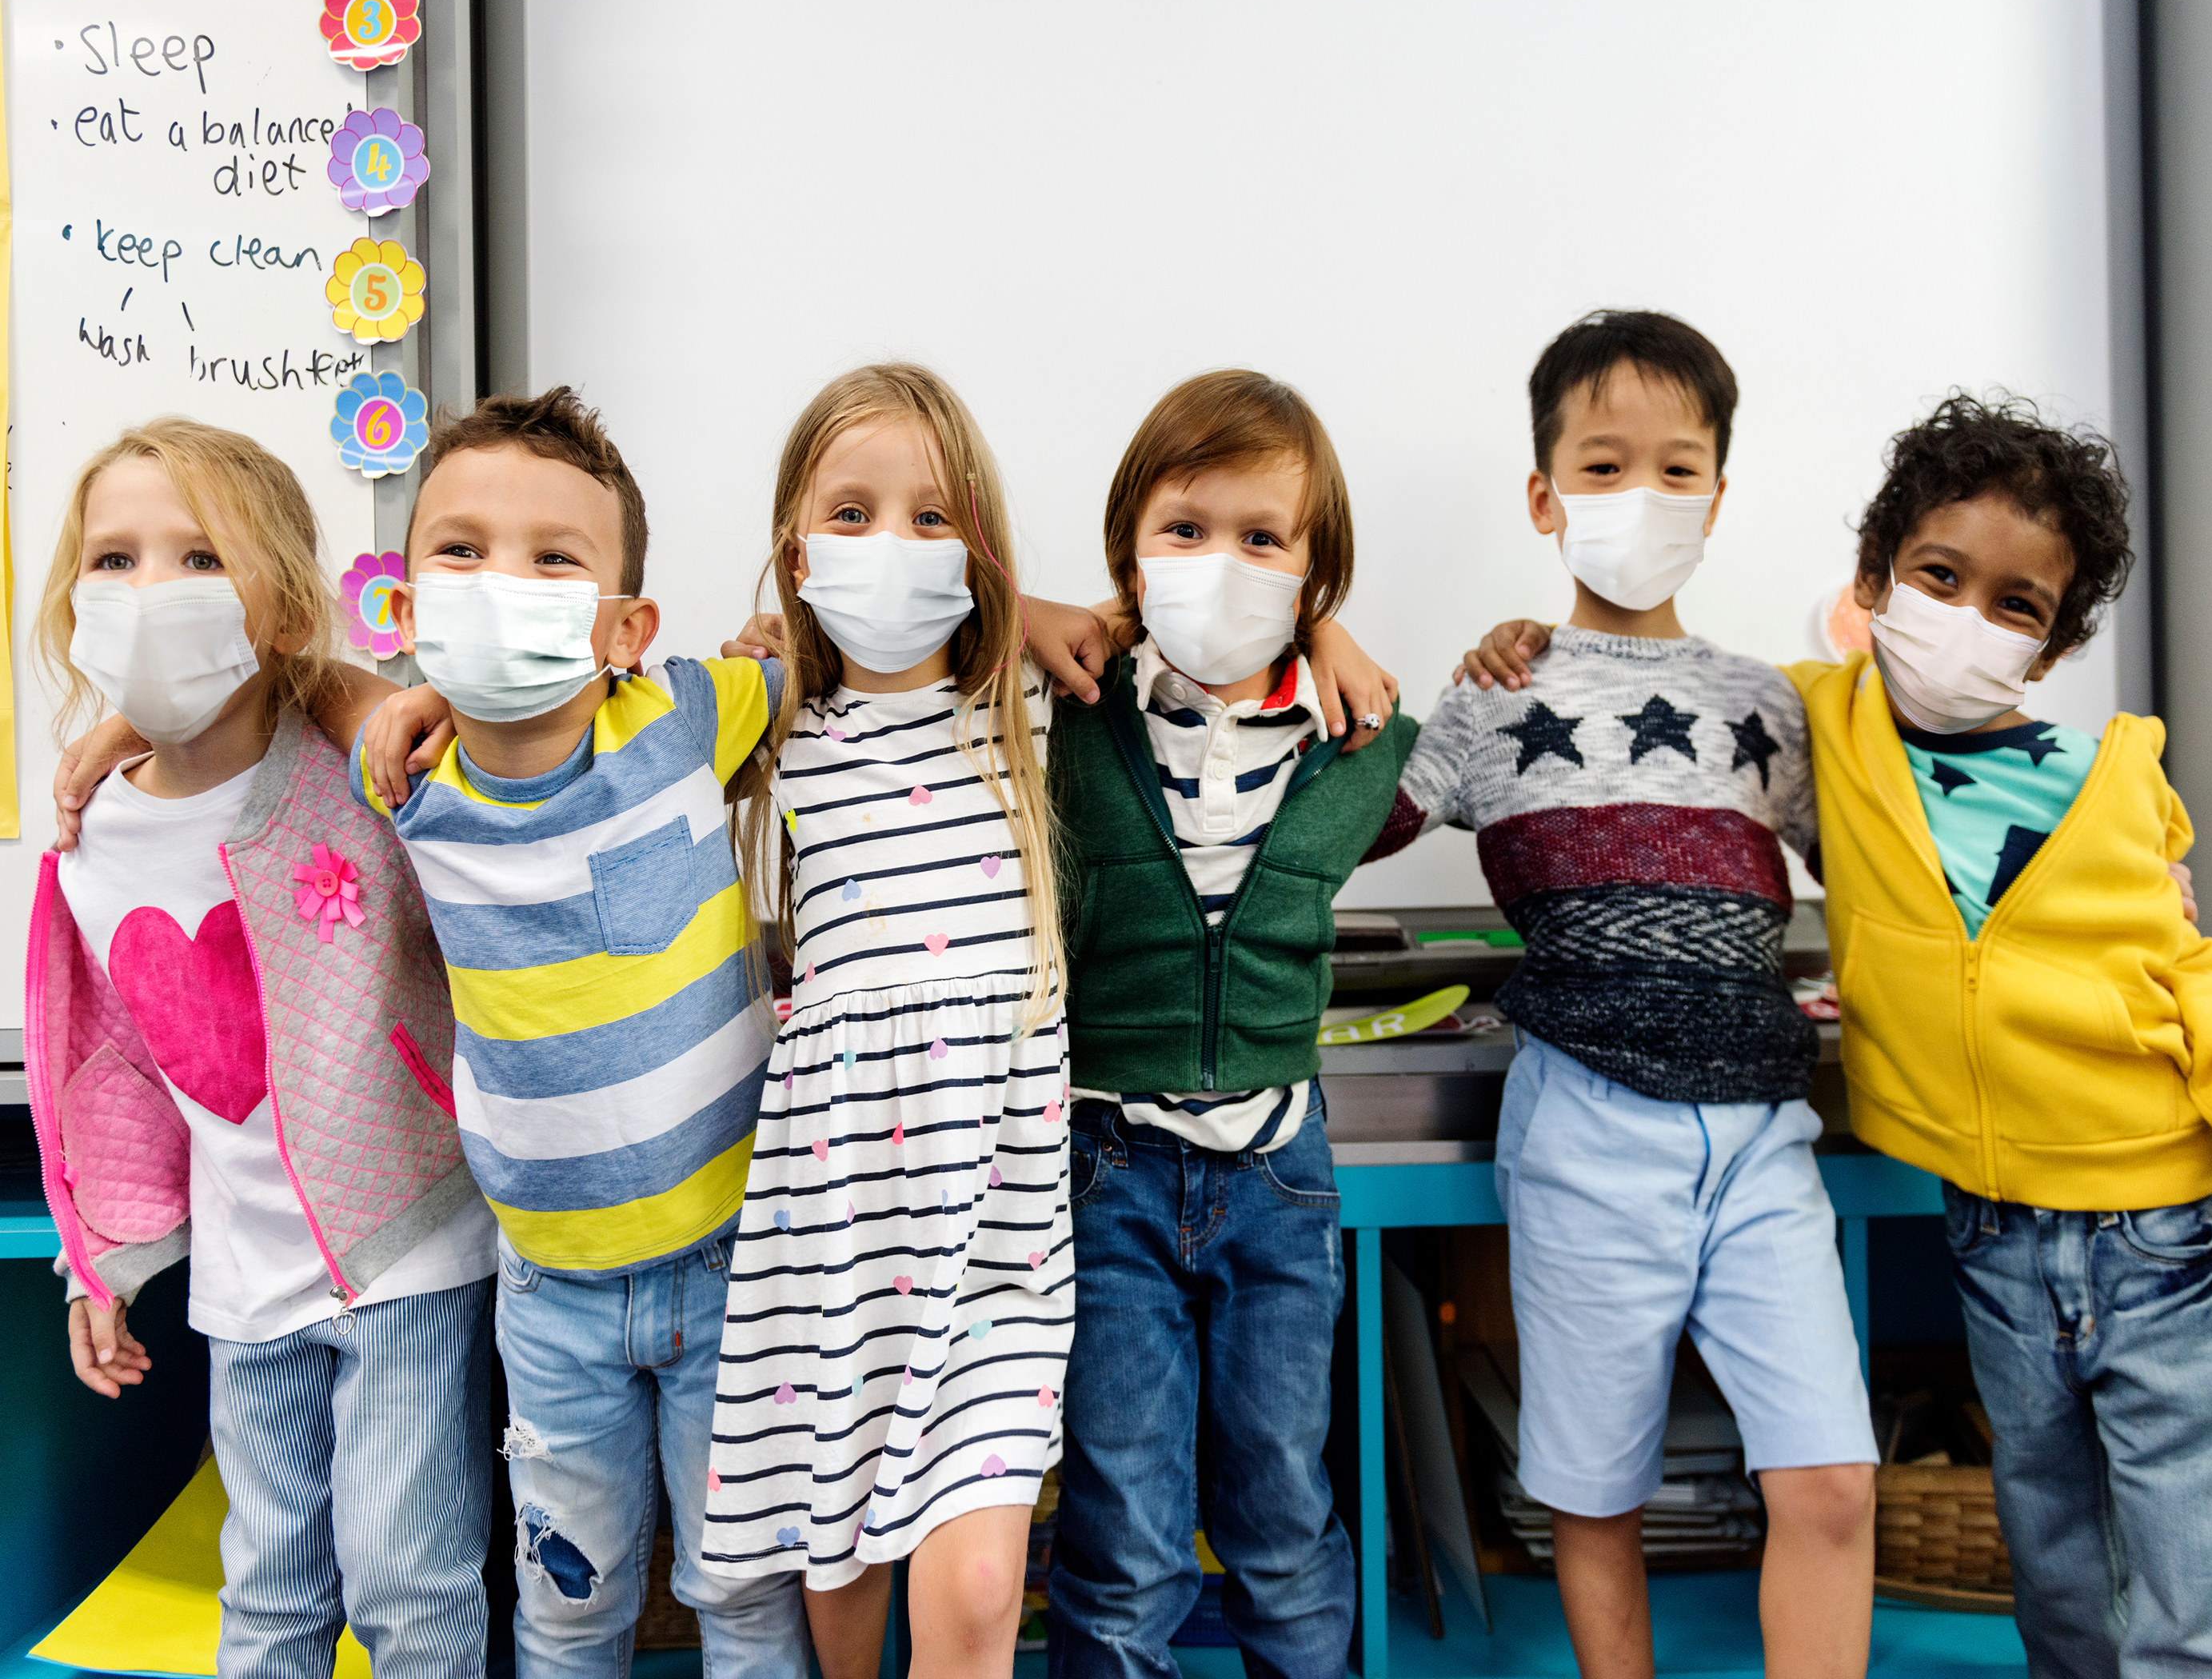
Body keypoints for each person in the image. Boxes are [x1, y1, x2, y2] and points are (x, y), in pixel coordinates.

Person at [1458, 390, 2212, 1676]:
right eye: (1939, 578)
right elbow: (1654, 694)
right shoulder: (1822, 726)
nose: (1966, 620)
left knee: (2201, 1576)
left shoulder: (2104, 780)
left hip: (2162, 1229)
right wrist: (1523, 643)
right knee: (2061, 1578)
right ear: (1874, 586)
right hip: (1997, 1239)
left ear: (2056, 646)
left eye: (2015, 608)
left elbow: (2195, 982)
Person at [1372, 312, 1879, 1678]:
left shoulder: (1768, 704)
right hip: (1586, 1124)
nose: (1639, 497)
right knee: (1593, 1489)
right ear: (1543, 496)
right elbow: (1348, 830)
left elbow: (1886, 865)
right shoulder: (1496, 692)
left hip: (1763, 1134)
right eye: (1601, 467)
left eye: (1676, 467)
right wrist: (1356, 671)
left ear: (1719, 493)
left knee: (1830, 1480)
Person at [351, 388, 812, 1678]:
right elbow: (291, 691)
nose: (502, 582)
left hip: (733, 1271)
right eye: (461, 550)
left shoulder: (679, 715)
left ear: (626, 626)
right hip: (548, 1294)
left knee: (745, 1602)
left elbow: (792, 657)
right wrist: (396, 700)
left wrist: (775, 632)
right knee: (567, 1607)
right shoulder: (403, 778)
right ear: (410, 602)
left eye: (553, 557)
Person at [27, 419, 498, 1679]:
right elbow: (114, 1063)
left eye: (198, 559)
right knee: (270, 1591)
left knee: (411, 1588)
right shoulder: (90, 837)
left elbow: (444, 724)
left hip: (410, 1249)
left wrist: (356, 700)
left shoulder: (365, 776)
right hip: (246, 1286)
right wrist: (101, 1259)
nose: (147, 594)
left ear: (284, 608)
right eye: (113, 560)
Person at [700, 362, 1070, 1679]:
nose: (892, 548)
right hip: (836, 1232)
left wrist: (1036, 612)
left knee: (974, 1591)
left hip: (997, 1238)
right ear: (792, 547)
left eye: (934, 518)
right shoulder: (768, 725)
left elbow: (1213, 620)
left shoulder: (1026, 714)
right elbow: (559, 728)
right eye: (850, 514)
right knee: (838, 1577)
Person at [1040, 371, 1413, 1677]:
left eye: (1264, 539)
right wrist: (1063, 614)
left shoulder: (1360, 739)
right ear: (1130, 554)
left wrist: (1333, 645)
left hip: (1278, 1175)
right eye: (1185, 530)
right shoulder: (1067, 710)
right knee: (1123, 1528)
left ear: (1313, 581)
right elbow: (943, 642)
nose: (1220, 564)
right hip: (1113, 1172)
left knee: (1280, 1519)